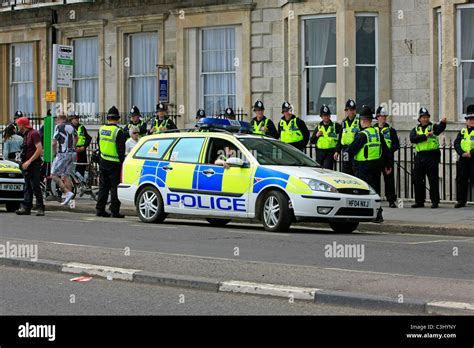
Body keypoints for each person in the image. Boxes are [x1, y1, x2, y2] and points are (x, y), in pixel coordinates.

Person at [347, 105, 392, 223]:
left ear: (362, 121)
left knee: (363, 192)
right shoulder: (377, 133)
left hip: (363, 167)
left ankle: (364, 213)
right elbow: (386, 150)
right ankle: (377, 214)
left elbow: (351, 150)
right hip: (376, 167)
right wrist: (388, 165)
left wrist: (346, 160)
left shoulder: (362, 135)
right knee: (375, 191)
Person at [410, 107, 447, 209]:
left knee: (433, 180)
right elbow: (413, 139)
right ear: (419, 119)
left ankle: (435, 202)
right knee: (417, 179)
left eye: (426, 117)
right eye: (423, 117)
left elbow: (439, 129)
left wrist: (443, 123)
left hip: (431, 156)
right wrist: (425, 136)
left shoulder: (433, 127)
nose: (425, 119)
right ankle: (419, 201)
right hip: (420, 157)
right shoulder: (415, 129)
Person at [96, 106, 126, 218]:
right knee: (115, 188)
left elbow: (99, 144)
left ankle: (100, 209)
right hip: (115, 163)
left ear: (108, 118)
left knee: (103, 187)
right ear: (118, 119)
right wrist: (122, 162)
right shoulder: (118, 131)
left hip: (103, 161)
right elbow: (120, 150)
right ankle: (114, 210)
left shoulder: (101, 129)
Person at [15, 117, 44, 216]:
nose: (17, 127)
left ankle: (40, 207)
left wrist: (29, 161)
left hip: (34, 165)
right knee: (27, 187)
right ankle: (27, 207)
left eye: (18, 125)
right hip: (26, 165)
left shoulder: (34, 134)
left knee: (35, 186)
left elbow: (39, 149)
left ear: (22, 125)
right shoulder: (26, 135)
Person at [375, 105, 400, 208]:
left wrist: (389, 151)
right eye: (382, 116)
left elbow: (396, 144)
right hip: (376, 158)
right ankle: (376, 199)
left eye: (385, 116)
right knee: (375, 179)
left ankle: (391, 200)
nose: (384, 118)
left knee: (389, 180)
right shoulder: (373, 129)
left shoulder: (391, 130)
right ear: (377, 117)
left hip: (387, 158)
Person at [51, 114, 77, 206]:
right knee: (66, 176)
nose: (56, 122)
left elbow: (54, 142)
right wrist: (73, 147)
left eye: (56, 120)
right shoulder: (71, 126)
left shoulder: (59, 126)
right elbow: (76, 138)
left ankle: (67, 192)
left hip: (63, 154)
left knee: (54, 175)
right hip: (72, 153)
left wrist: (55, 154)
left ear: (59, 119)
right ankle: (70, 202)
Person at [454, 104, 474, 208]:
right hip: (463, 159)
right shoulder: (462, 132)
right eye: (469, 119)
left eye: (473, 119)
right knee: (462, 180)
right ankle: (461, 201)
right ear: (466, 121)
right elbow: (456, 144)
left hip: (473, 158)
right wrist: (462, 153)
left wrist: (471, 153)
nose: (471, 121)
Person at [310, 105, 341, 169]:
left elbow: (341, 138)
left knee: (327, 169)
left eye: (327, 115)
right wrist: (316, 135)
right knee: (319, 171)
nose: (326, 117)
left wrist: (337, 151)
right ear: (321, 117)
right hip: (320, 153)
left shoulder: (336, 126)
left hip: (330, 152)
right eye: (324, 115)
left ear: (330, 116)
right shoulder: (318, 127)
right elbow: (312, 141)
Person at [334, 99, 360, 175]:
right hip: (345, 150)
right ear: (346, 110)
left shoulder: (359, 121)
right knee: (346, 171)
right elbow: (340, 138)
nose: (352, 111)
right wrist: (337, 151)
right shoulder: (343, 123)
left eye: (353, 109)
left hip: (355, 150)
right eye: (350, 109)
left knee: (356, 170)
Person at [70, 113, 92, 178]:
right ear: (71, 119)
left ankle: (81, 182)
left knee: (82, 167)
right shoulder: (69, 127)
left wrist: (84, 147)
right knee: (72, 168)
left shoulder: (82, 127)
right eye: (75, 118)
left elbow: (88, 138)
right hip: (72, 151)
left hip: (81, 151)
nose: (77, 120)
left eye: (78, 118)